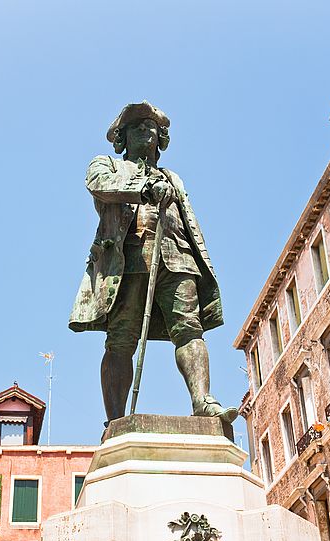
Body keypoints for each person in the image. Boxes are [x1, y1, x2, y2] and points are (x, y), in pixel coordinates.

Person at [69, 101, 237, 425]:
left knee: (189, 328)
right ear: (122, 137)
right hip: (128, 258)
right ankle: (115, 420)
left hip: (176, 257)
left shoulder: (173, 177)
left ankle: (203, 401)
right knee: (120, 338)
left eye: (151, 126)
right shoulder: (107, 166)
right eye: (137, 125)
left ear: (161, 138)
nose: (146, 129)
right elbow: (99, 184)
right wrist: (146, 189)